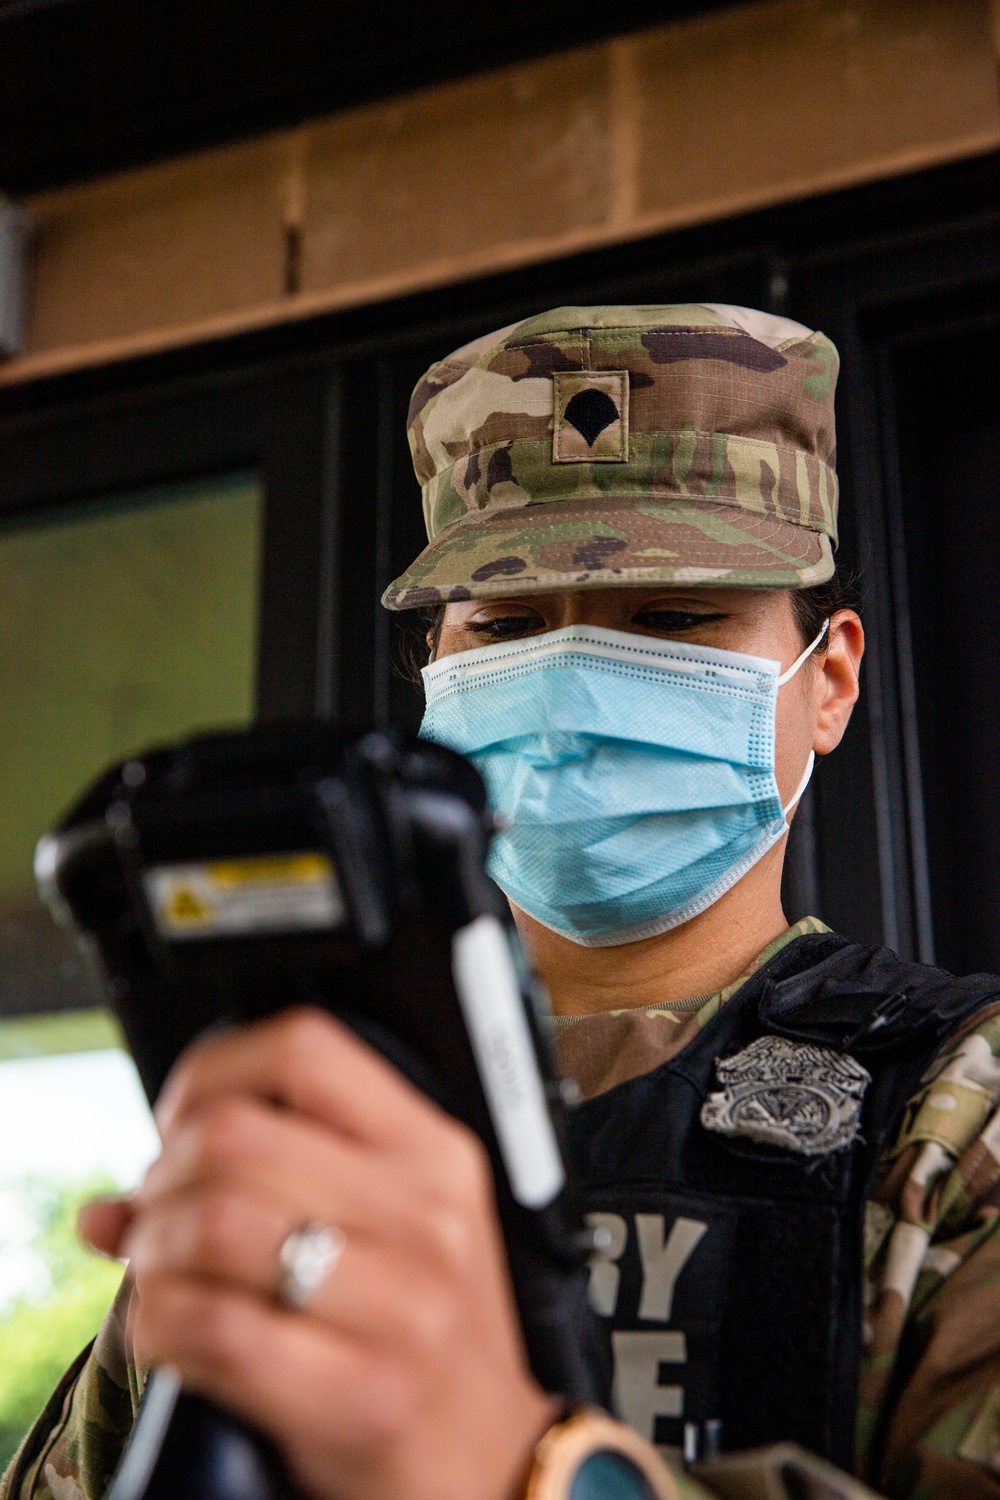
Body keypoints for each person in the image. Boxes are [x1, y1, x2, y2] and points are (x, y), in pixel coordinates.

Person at [5, 303, 1000, 1500]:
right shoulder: (325, 1113)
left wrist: (523, 1471)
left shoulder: (955, 1121)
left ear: (827, 678)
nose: (576, 677)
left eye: (674, 617)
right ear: (437, 676)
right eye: (510, 626)